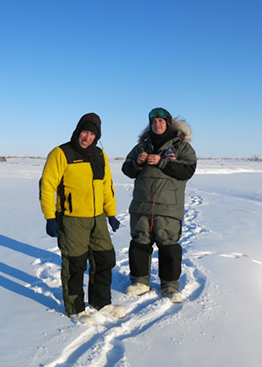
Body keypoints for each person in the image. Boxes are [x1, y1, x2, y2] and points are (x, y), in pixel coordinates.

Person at [39, 112, 126, 323]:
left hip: (97, 218)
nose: (87, 137)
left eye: (92, 134)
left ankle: (101, 302)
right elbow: (47, 185)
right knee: (75, 264)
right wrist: (50, 216)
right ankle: (75, 308)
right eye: (84, 132)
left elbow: (107, 186)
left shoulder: (99, 155)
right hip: (72, 218)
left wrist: (111, 213)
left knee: (104, 259)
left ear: (97, 137)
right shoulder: (61, 153)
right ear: (78, 131)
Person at [121, 107, 196, 303]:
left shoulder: (181, 147)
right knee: (139, 243)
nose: (157, 124)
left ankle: (170, 285)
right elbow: (127, 169)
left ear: (168, 123)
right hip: (142, 206)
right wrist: (137, 162)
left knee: (169, 245)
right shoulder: (141, 147)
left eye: (161, 121)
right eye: (154, 121)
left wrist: (162, 162)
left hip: (169, 207)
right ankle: (140, 282)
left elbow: (187, 170)